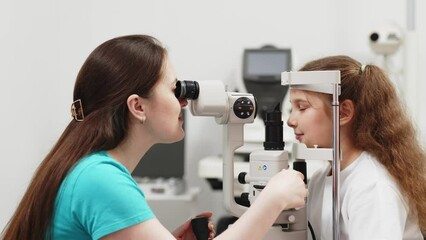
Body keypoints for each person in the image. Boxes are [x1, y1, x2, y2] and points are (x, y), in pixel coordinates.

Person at [1, 34, 307, 240]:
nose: (184, 101)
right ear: (138, 106)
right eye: (175, 89)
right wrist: (273, 199)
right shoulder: (99, 179)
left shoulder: (88, 168)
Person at [287, 55, 426, 239]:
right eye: (292, 108)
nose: (290, 121)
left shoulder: (372, 186)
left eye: (302, 107)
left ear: (343, 112)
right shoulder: (321, 178)